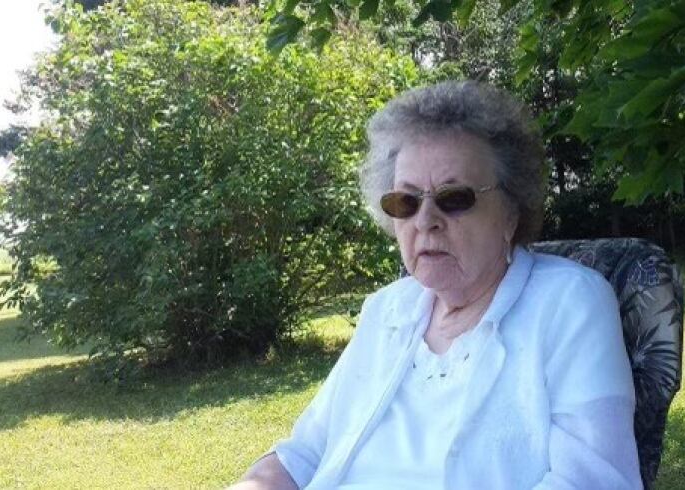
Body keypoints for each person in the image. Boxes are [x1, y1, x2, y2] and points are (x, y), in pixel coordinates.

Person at [229, 80, 642, 489]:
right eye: (405, 202)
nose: (424, 220)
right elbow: (304, 452)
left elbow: (597, 479)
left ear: (512, 213)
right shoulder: (386, 310)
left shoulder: (570, 303)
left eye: (454, 197)